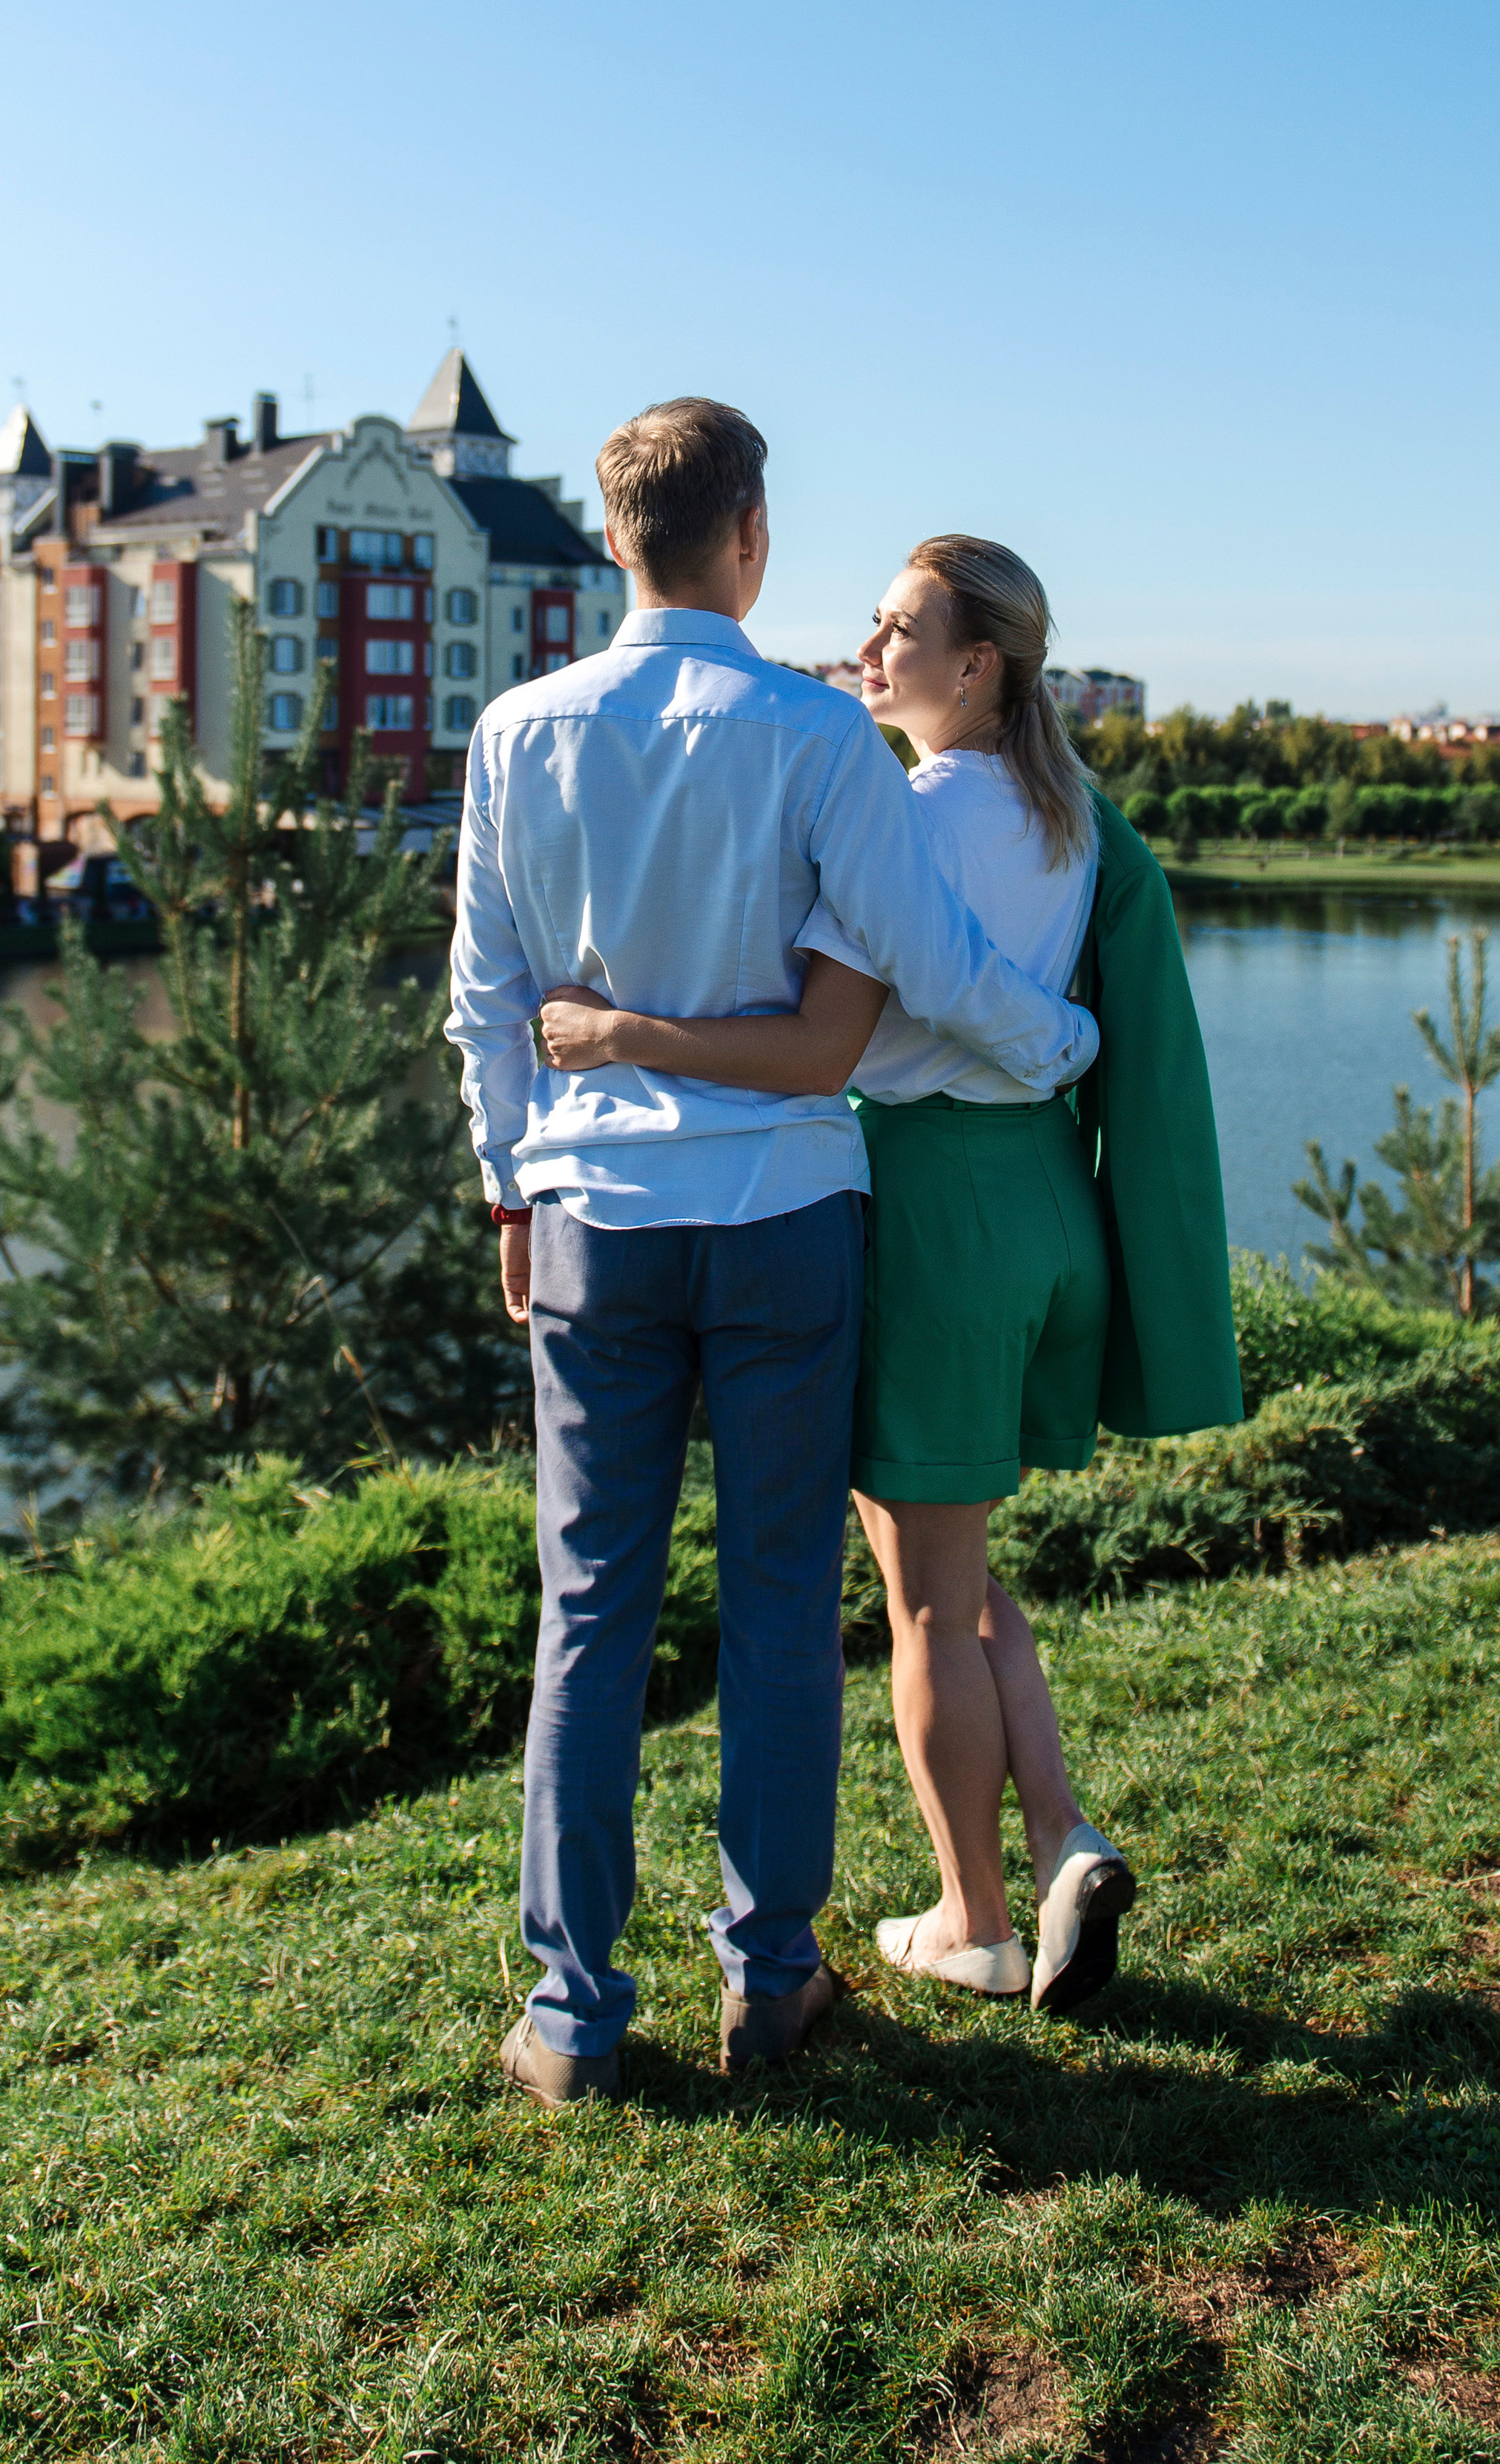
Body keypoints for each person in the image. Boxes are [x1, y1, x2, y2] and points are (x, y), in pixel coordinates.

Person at [447, 408, 1100, 2104]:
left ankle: (574, 2017)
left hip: (592, 1223)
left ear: (613, 545)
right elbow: (924, 957)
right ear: (749, 534)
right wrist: (1061, 1044)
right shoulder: (816, 736)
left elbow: (486, 1007)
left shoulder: (515, 731)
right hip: (787, 1227)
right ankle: (769, 1981)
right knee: (780, 1616)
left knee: (586, 1617)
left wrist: (512, 1192)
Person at [542, 537, 1241, 2012]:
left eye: (898, 628)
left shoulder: (914, 815)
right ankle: (1058, 1838)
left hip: (933, 1204)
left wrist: (619, 1033)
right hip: (1045, 1193)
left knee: (921, 1592)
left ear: (974, 664)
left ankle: (972, 1921)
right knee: (963, 1569)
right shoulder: (1068, 813)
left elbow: (826, 1044)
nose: (869, 647)